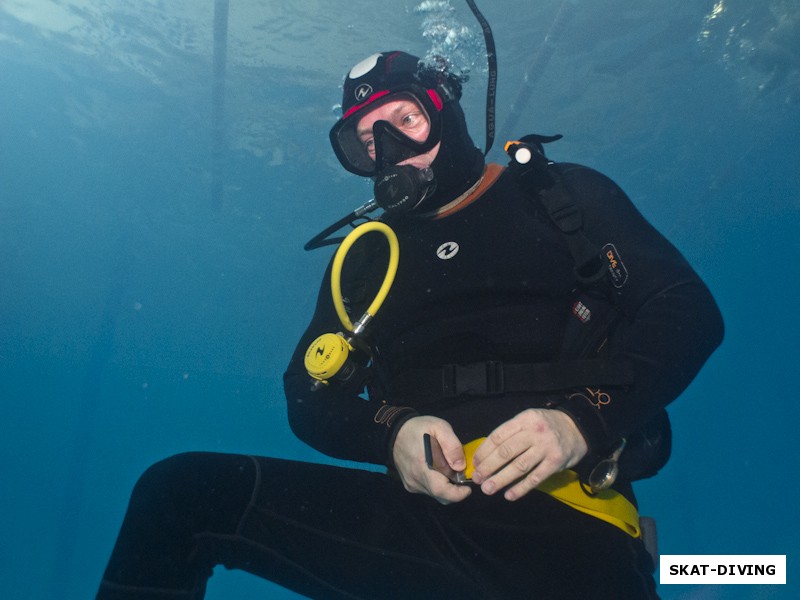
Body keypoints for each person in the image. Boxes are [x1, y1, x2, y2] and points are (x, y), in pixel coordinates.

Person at [96, 51, 723, 600]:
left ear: (446, 112)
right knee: (180, 495)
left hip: (570, 531)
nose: (388, 151)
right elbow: (307, 393)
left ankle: (713, 570)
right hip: (420, 526)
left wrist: (578, 419)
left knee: (684, 572)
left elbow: (685, 308)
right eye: (366, 142)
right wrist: (390, 432)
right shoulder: (367, 258)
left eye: (406, 121)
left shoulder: (560, 197)